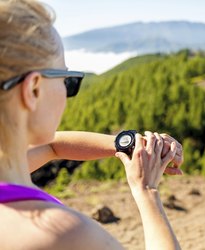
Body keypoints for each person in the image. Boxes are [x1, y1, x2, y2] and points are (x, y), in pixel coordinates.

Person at [0, 0, 183, 249]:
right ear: (33, 89)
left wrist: (128, 145)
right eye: (66, 80)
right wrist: (147, 190)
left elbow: (54, 146)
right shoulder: (62, 234)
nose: (67, 93)